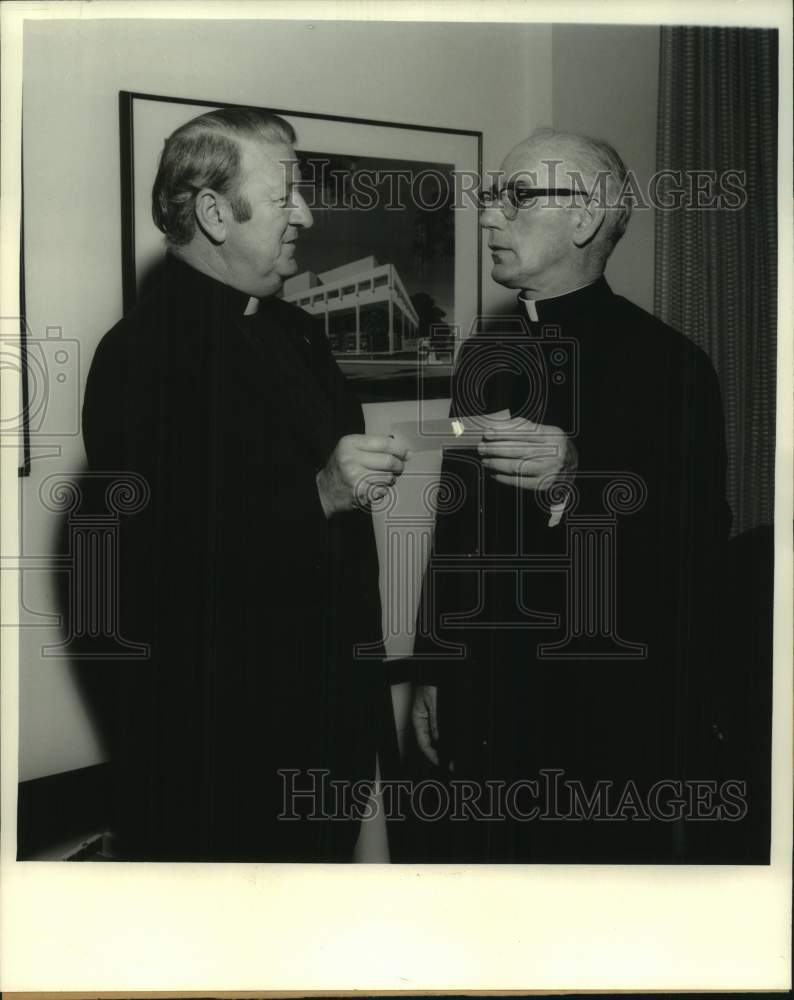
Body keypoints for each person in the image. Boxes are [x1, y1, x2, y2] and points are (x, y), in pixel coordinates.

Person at [82, 107, 408, 861]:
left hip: (335, 726)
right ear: (213, 213)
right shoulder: (137, 357)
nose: (307, 212)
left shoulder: (300, 332)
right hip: (227, 752)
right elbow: (158, 562)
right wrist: (318, 495)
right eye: (288, 190)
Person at [410, 129, 732, 863]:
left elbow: (696, 553)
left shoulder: (672, 367)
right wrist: (435, 667)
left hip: (598, 723)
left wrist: (574, 483)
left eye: (515, 197)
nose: (489, 216)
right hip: (485, 707)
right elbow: (456, 529)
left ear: (585, 219)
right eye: (492, 196)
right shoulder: (480, 357)